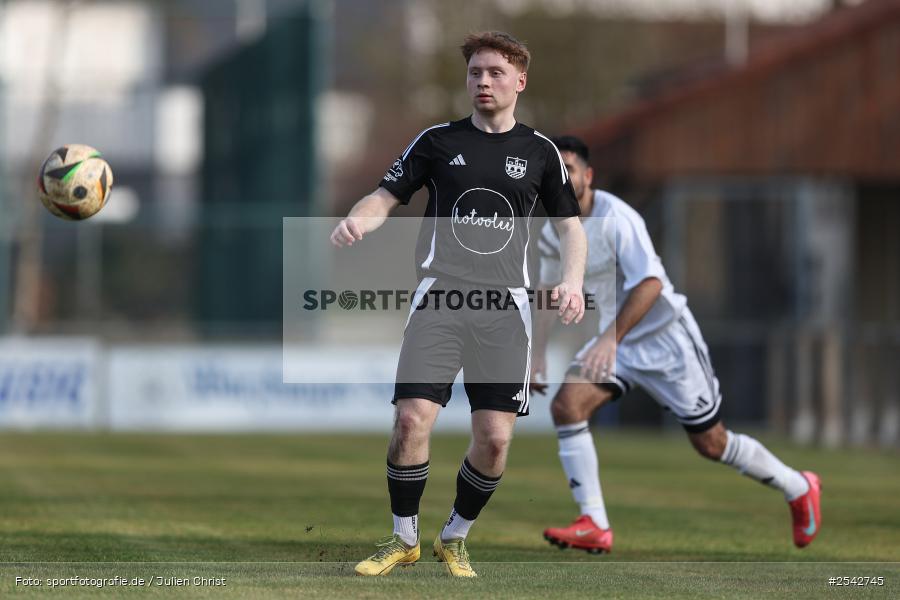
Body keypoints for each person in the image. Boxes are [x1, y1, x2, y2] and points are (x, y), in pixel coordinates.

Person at [330, 32, 587, 577]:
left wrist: (571, 281)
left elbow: (570, 227)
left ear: (520, 81)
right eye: (474, 72)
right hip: (440, 299)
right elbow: (384, 196)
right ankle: (403, 538)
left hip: (506, 311)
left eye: (495, 72)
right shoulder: (437, 142)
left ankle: (455, 536)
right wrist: (358, 219)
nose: (483, 81)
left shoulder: (540, 152)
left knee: (493, 440)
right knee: (410, 420)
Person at [531, 135, 821, 555]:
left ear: (588, 176)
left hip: (665, 339)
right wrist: (538, 351)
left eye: (568, 169)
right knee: (566, 407)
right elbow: (546, 289)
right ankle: (594, 523)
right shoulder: (552, 228)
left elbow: (650, 284)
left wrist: (610, 339)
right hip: (616, 342)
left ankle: (799, 486)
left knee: (711, 443)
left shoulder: (618, 217)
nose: (560, 178)